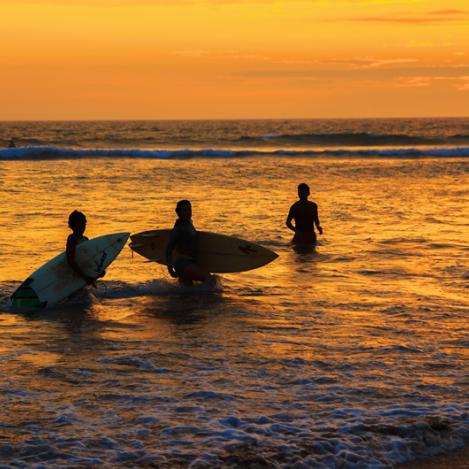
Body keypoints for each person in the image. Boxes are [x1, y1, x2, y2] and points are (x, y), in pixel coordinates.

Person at [165, 200, 212, 286]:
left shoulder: (189, 224)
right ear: (179, 213)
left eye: (189, 210)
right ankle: (207, 299)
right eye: (185, 210)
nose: (188, 212)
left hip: (190, 263)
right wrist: (170, 270)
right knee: (209, 279)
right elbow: (168, 250)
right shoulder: (178, 229)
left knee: (187, 294)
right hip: (184, 264)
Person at [66, 210, 105, 285]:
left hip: (84, 276)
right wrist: (84, 277)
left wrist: (99, 271)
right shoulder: (72, 239)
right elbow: (70, 260)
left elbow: (91, 259)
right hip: (76, 275)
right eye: (80, 224)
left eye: (84, 224)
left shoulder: (86, 239)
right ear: (72, 225)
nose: (83, 226)